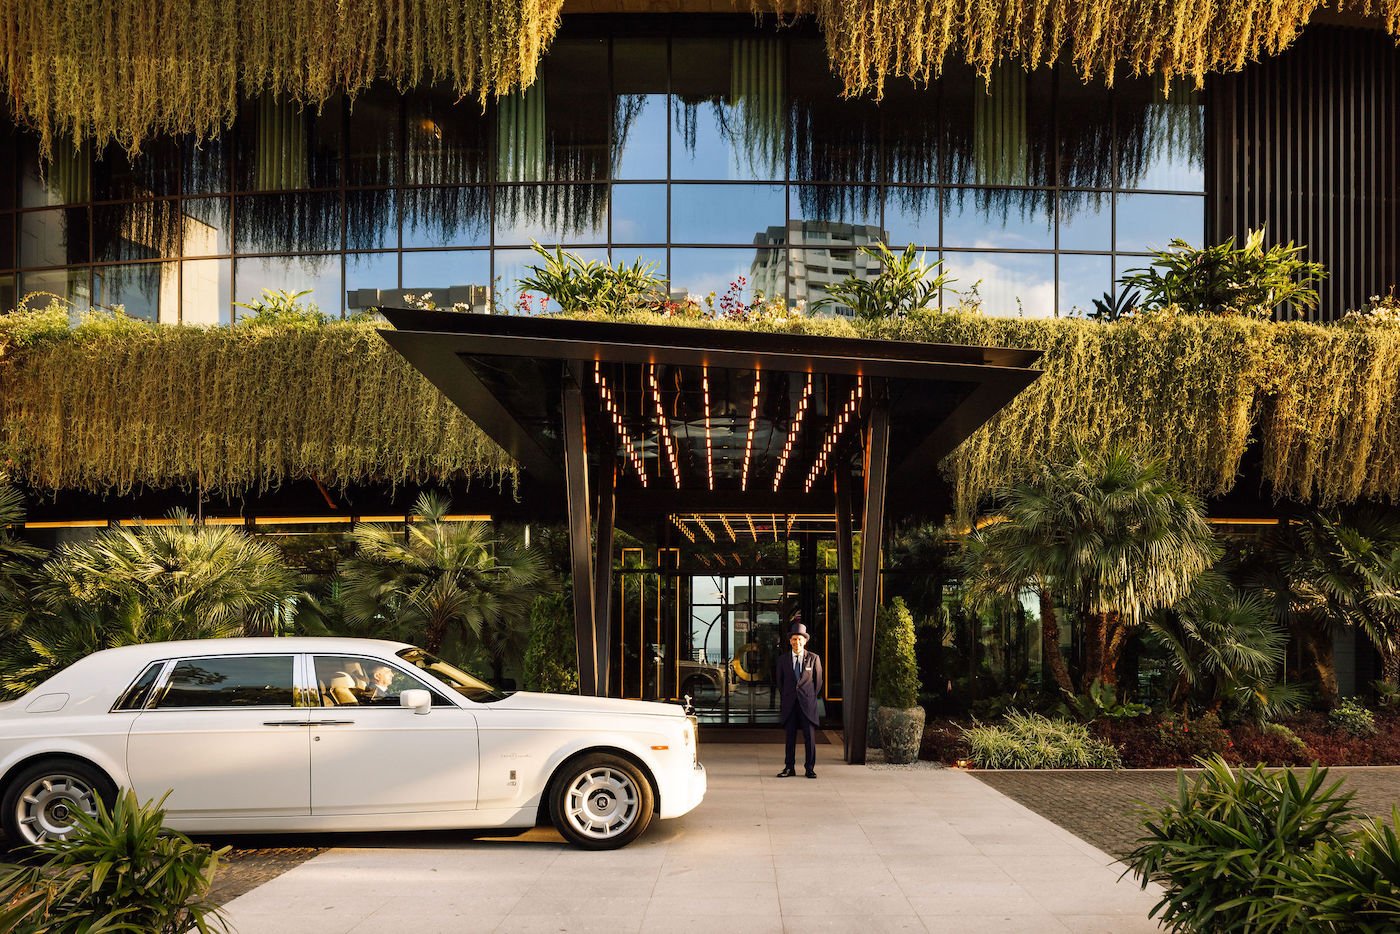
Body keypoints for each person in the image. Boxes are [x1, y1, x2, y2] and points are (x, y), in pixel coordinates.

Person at [774, 619, 822, 779]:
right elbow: (780, 682)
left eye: (800, 639)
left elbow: (818, 683)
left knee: (810, 738)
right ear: (790, 641)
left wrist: (808, 697)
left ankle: (810, 768)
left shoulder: (814, 658)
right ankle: (789, 768)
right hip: (790, 705)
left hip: (807, 705)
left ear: (805, 641)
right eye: (794, 639)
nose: (797, 642)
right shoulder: (783, 660)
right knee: (790, 738)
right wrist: (789, 696)